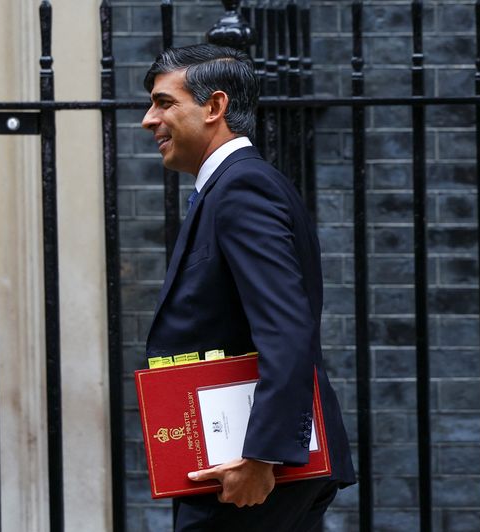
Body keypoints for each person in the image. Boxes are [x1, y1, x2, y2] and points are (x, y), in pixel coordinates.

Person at [141, 44, 356, 531]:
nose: (148, 120)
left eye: (164, 102)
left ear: (214, 107)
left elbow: (285, 328)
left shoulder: (242, 189)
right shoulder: (228, 189)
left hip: (252, 471)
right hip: (243, 465)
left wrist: (262, 457)